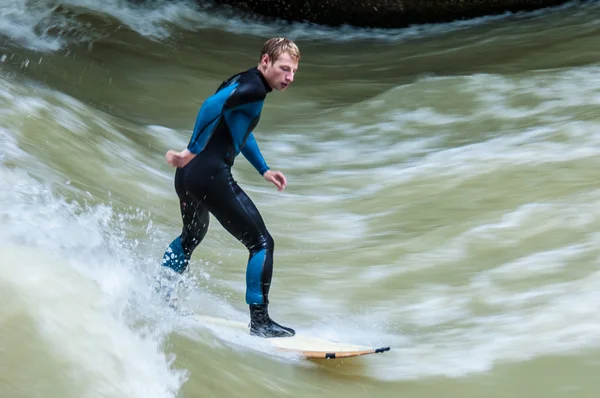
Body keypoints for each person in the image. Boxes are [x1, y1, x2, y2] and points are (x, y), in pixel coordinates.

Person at [160, 37, 300, 338]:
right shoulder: (252, 88)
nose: (289, 78)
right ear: (266, 62)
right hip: (208, 173)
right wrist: (191, 150)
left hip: (188, 176)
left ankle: (161, 296)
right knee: (262, 242)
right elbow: (211, 105)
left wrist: (263, 169)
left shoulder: (244, 82)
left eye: (293, 72)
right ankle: (260, 322)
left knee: (191, 236)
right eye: (284, 69)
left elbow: (240, 130)